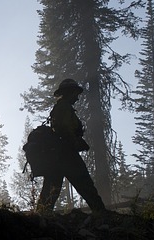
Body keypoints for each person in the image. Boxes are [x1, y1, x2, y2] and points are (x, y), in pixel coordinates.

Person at [36, 78, 106, 213]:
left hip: (55, 156)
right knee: (85, 184)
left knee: (50, 191)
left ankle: (40, 218)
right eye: (75, 94)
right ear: (69, 92)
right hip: (66, 154)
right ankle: (101, 213)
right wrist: (76, 141)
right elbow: (64, 128)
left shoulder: (60, 108)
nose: (77, 98)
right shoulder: (64, 107)